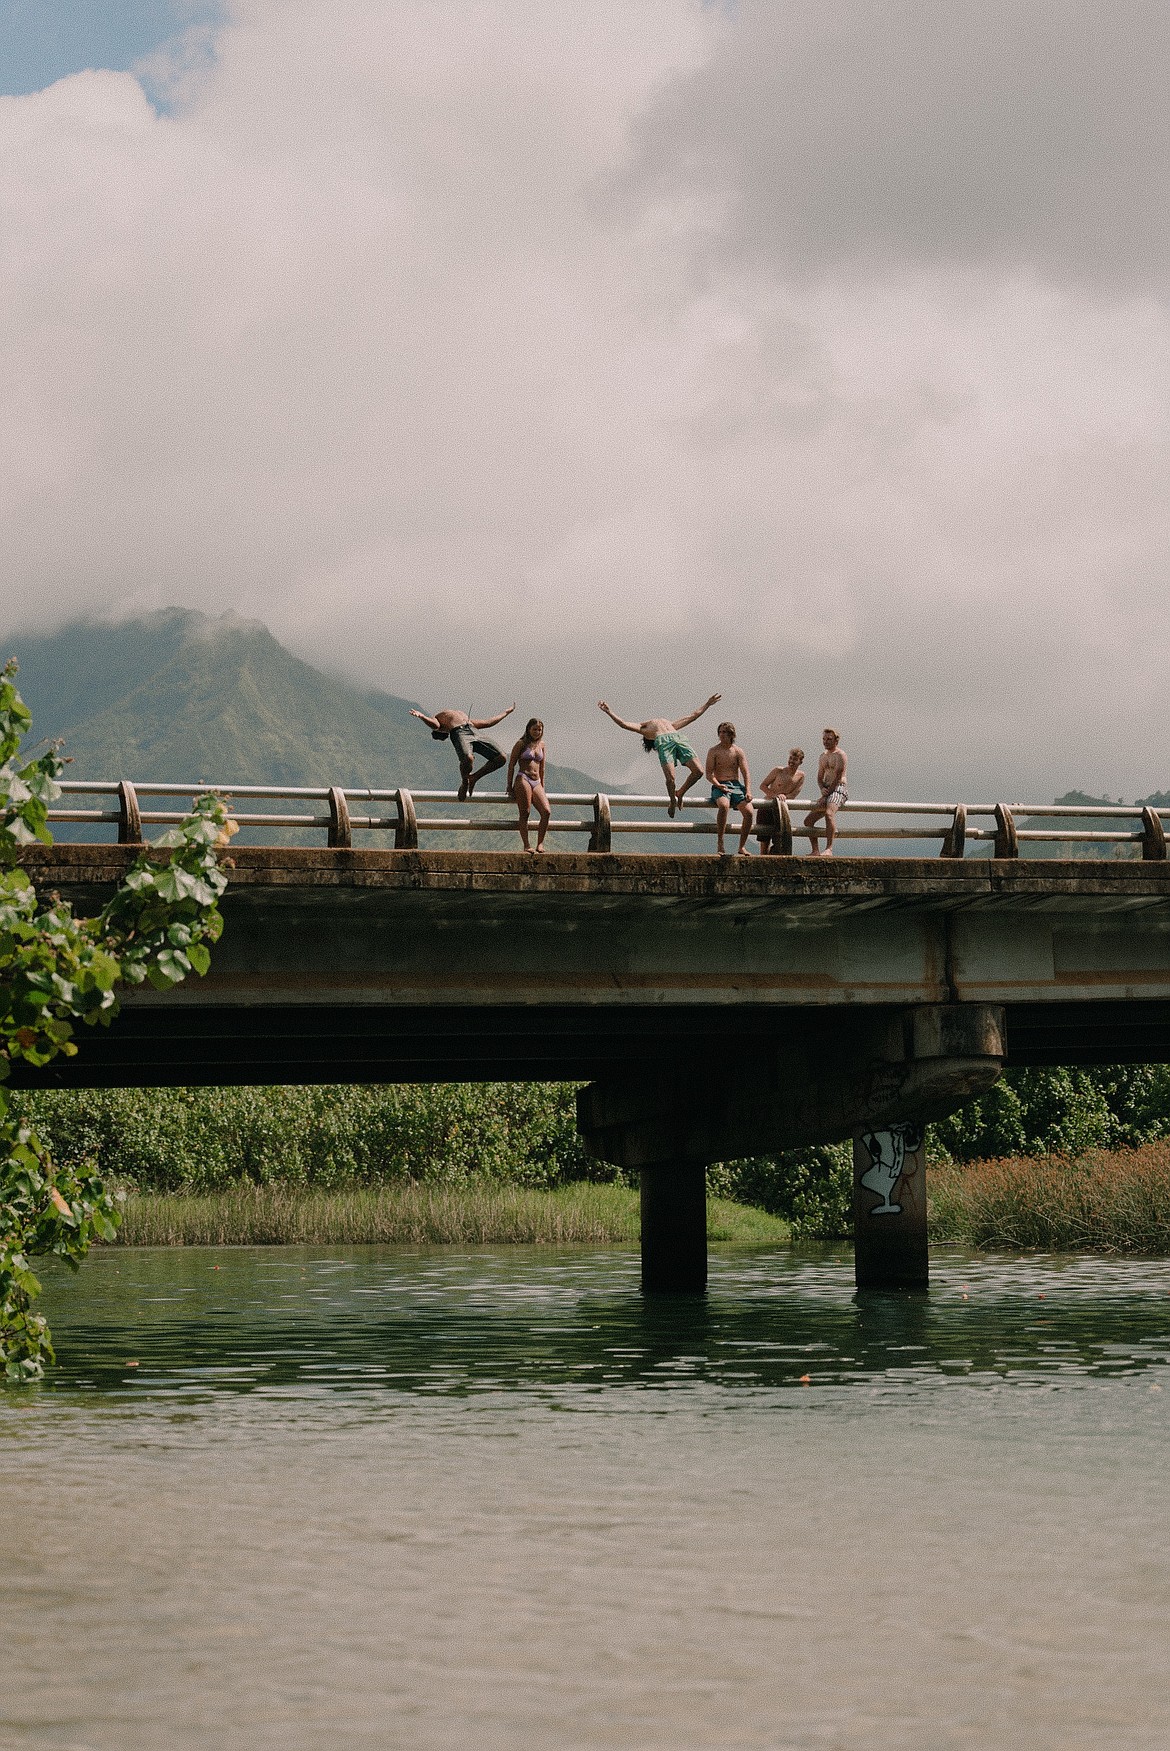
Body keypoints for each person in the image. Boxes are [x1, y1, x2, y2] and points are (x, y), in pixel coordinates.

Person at [597, 693, 721, 815]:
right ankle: (672, 800)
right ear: (649, 739)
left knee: (699, 771)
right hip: (665, 744)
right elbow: (623, 724)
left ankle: (681, 792)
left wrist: (708, 704)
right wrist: (609, 711)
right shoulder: (644, 729)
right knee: (671, 778)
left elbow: (693, 716)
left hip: (679, 740)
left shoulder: (672, 726)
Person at [409, 702, 515, 799]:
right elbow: (435, 725)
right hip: (459, 732)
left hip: (472, 729)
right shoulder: (439, 720)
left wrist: (506, 713)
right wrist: (422, 716)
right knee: (468, 758)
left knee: (501, 758)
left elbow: (488, 722)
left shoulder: (465, 720)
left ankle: (473, 778)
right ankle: (465, 782)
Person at [705, 722, 754, 856]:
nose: (721, 735)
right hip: (720, 784)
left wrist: (748, 791)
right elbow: (708, 774)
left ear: (731, 734)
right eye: (720, 732)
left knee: (749, 812)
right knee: (724, 806)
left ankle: (742, 846)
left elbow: (746, 773)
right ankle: (720, 842)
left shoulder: (738, 751)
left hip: (736, 785)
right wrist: (717, 784)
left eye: (724, 732)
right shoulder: (713, 751)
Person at [507, 717, 551, 853]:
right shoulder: (521, 744)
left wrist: (542, 785)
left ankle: (540, 844)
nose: (537, 732)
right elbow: (511, 765)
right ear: (528, 729)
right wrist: (509, 785)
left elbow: (542, 768)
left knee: (546, 811)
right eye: (534, 729)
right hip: (523, 778)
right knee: (525, 812)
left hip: (536, 781)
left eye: (539, 729)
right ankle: (526, 845)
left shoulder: (542, 745)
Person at [804, 728, 848, 856]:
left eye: (829, 739)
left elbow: (839, 776)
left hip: (839, 788)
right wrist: (822, 789)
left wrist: (827, 794)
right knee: (808, 821)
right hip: (827, 789)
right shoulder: (823, 756)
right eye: (824, 739)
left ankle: (829, 848)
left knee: (829, 814)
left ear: (836, 740)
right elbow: (819, 777)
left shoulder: (841, 755)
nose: (826, 742)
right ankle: (815, 850)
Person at [757, 748, 805, 855]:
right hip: (767, 807)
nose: (791, 761)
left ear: (800, 762)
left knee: (779, 840)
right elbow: (763, 786)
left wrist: (784, 797)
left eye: (795, 759)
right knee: (764, 840)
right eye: (790, 758)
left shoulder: (801, 776)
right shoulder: (778, 771)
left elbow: (793, 795)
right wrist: (776, 796)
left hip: (781, 810)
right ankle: (762, 860)